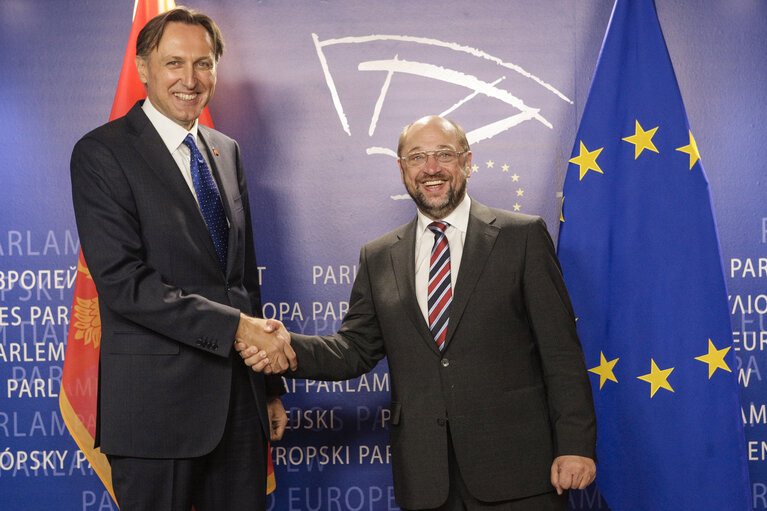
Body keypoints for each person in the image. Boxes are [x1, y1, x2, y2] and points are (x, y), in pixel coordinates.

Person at [240, 115, 597, 510]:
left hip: (520, 475)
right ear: (402, 169)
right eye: (417, 158)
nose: (431, 168)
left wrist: (575, 446)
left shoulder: (522, 236)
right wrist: (285, 347)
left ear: (467, 162)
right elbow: (354, 349)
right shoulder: (379, 257)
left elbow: (561, 353)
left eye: (444, 154)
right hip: (427, 482)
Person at [70, 7, 296, 510]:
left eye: (204, 63)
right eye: (175, 63)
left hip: (239, 408)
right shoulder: (102, 153)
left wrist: (268, 387)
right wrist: (238, 328)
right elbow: (125, 283)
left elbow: (241, 280)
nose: (190, 79)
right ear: (144, 67)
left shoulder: (225, 150)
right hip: (155, 412)